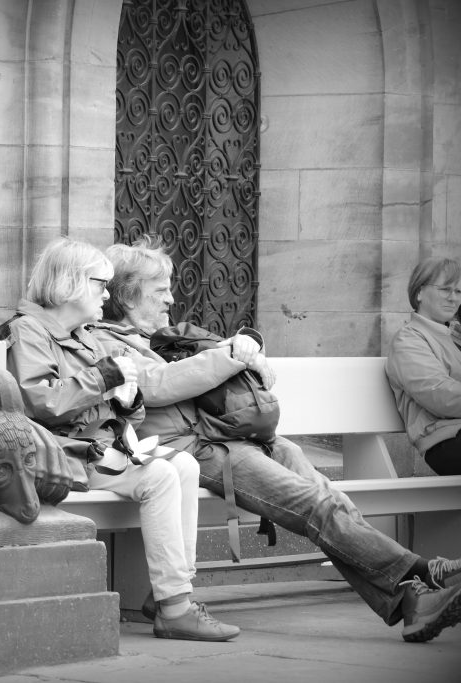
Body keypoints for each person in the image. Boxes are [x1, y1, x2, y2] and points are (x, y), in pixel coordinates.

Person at [93, 236, 461, 643]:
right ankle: (421, 574)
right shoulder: (106, 341)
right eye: (160, 290)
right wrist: (235, 351)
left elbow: (218, 363)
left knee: (328, 497)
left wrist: (251, 354)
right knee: (316, 506)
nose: (171, 299)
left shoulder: (159, 335)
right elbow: (157, 385)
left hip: (231, 437)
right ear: (127, 297)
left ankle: (412, 601)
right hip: (196, 450)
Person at [0, 237, 240, 642]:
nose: (107, 294)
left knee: (184, 464)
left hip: (97, 450)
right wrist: (105, 379)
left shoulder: (82, 333)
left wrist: (127, 399)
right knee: (159, 476)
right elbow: (40, 402)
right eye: (100, 284)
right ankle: (175, 607)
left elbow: (110, 406)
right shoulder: (28, 331)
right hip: (58, 455)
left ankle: (170, 596)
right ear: (70, 282)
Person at [386, 257, 461, 475]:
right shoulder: (409, 340)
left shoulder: (454, 336)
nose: (453, 298)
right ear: (419, 293)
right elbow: (439, 396)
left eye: (458, 292)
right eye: (445, 289)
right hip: (446, 441)